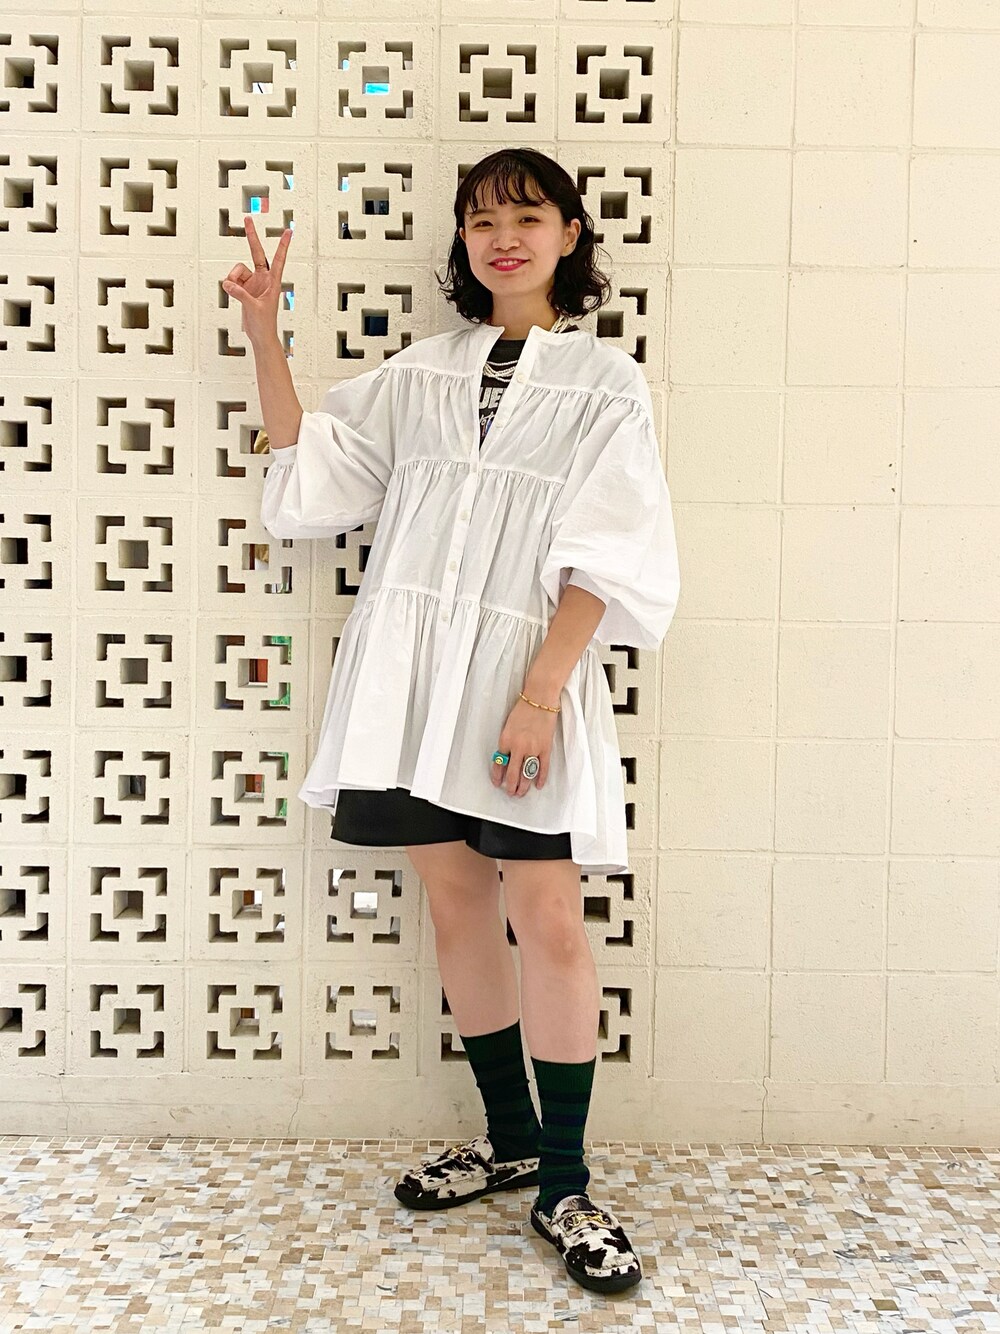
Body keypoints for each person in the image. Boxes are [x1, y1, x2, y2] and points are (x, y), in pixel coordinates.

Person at [224, 147, 680, 1295]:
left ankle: (565, 1180)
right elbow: (314, 479)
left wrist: (541, 692)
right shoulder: (422, 372)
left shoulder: (605, 383)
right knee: (454, 899)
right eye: (481, 220)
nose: (502, 238)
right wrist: (265, 334)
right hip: (411, 682)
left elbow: (610, 550)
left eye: (526, 216)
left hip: (528, 676)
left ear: (569, 234)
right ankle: (509, 1136)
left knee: (549, 917)